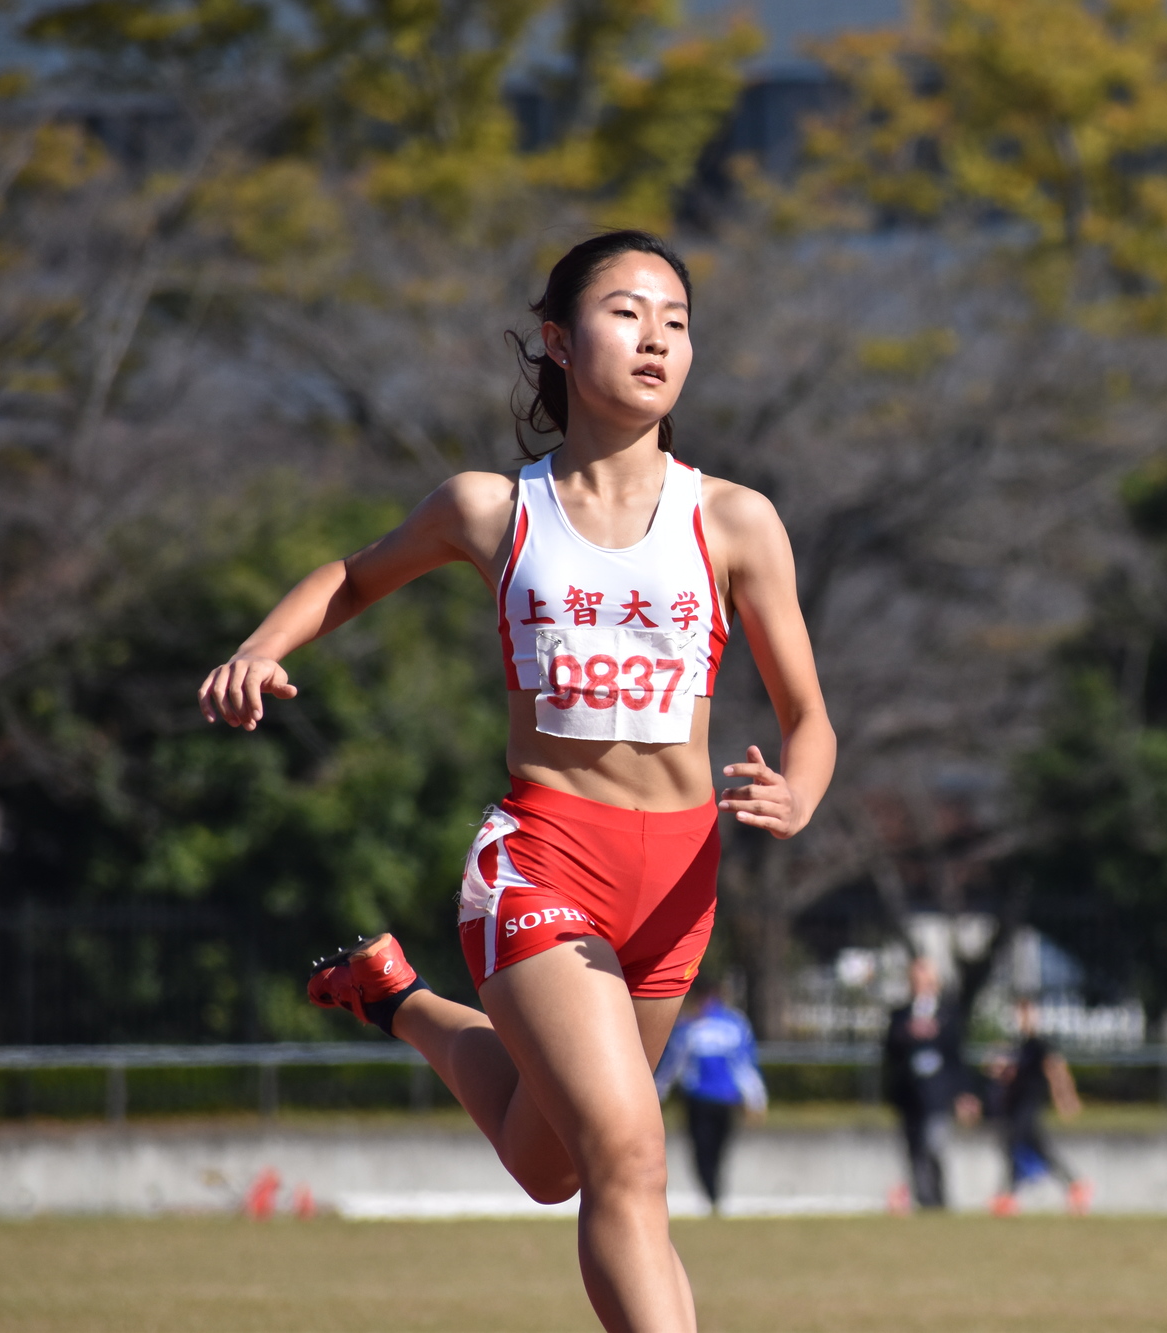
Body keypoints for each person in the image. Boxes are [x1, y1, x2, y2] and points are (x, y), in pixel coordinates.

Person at [197, 229, 835, 1333]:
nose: (657, 338)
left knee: (558, 1167)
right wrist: (265, 644)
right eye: (628, 312)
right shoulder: (492, 509)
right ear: (555, 338)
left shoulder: (733, 520)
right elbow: (351, 578)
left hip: (678, 882)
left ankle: (398, 999)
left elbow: (809, 716)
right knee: (629, 1159)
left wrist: (801, 789)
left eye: (677, 321)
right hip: (542, 857)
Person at [655, 978, 767, 1212]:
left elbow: (742, 1065)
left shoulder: (725, 1025)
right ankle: (712, 1196)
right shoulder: (699, 1027)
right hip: (701, 1098)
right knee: (704, 1148)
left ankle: (714, 1195)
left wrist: (756, 1098)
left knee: (712, 1149)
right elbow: (673, 1066)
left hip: (719, 1099)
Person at [882, 955, 979, 1209]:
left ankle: (939, 1199)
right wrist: (907, 1033)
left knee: (933, 1145)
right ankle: (924, 1201)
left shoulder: (948, 1014)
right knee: (914, 1150)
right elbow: (889, 1051)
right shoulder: (900, 1015)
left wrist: (965, 1094)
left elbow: (957, 1056)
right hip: (909, 1096)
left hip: (937, 1096)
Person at [988, 995, 1092, 1216]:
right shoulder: (1019, 1045)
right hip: (1016, 1106)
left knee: (1021, 1146)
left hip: (1029, 1104)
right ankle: (1073, 1185)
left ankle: (1008, 1195)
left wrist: (1066, 1098)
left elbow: (1056, 1070)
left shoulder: (1039, 1045)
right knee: (1029, 1147)